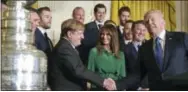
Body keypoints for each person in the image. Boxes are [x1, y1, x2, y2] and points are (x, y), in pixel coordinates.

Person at [114, 10, 188, 91]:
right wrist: (117, 84)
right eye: (146, 22)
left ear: (163, 22)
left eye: (152, 19)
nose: (149, 23)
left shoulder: (181, 38)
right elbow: (137, 75)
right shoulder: (144, 48)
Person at [48, 19, 115, 90]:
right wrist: (104, 82)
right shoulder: (64, 49)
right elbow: (78, 70)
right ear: (70, 34)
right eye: (80, 33)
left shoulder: (67, 47)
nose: (83, 37)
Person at [87, 24, 126, 90]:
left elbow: (122, 76)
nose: (104, 37)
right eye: (102, 34)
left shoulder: (120, 54)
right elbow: (89, 73)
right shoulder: (94, 51)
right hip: (98, 87)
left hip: (115, 88)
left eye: (108, 34)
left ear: (113, 36)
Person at [124, 20, 149, 91]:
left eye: (144, 30)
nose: (141, 32)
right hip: (133, 89)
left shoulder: (151, 47)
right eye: (138, 29)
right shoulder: (125, 50)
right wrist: (138, 88)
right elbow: (124, 73)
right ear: (132, 31)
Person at [34, 6, 53, 88]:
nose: (50, 19)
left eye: (51, 17)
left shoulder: (47, 38)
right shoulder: (34, 35)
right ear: (38, 18)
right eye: (46, 17)